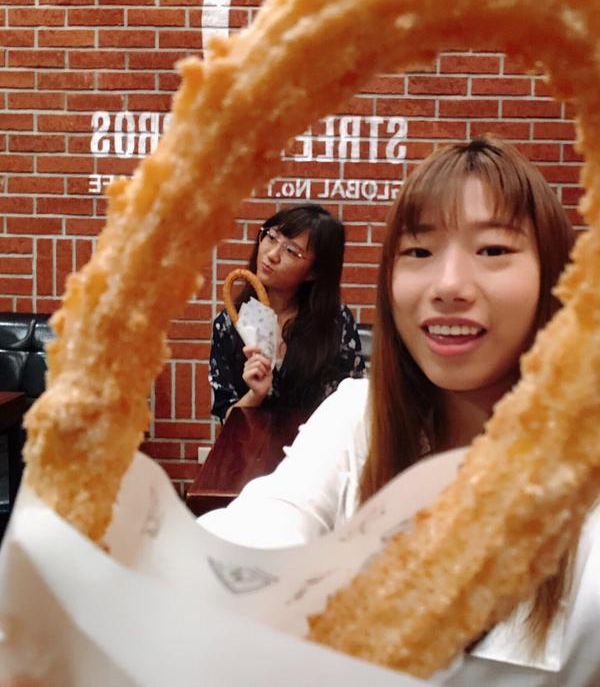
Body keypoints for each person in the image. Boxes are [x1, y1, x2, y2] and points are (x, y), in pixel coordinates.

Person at [200, 137, 600, 685]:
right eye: (419, 252)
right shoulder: (355, 417)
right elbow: (270, 519)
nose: (449, 285)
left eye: (492, 250)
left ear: (553, 274)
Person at [209, 203, 365, 423]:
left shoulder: (335, 322)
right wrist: (255, 394)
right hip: (250, 444)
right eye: (271, 237)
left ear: (313, 272)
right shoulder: (229, 322)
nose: (272, 254)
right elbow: (226, 420)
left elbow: (351, 407)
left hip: (317, 442)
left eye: (291, 251)